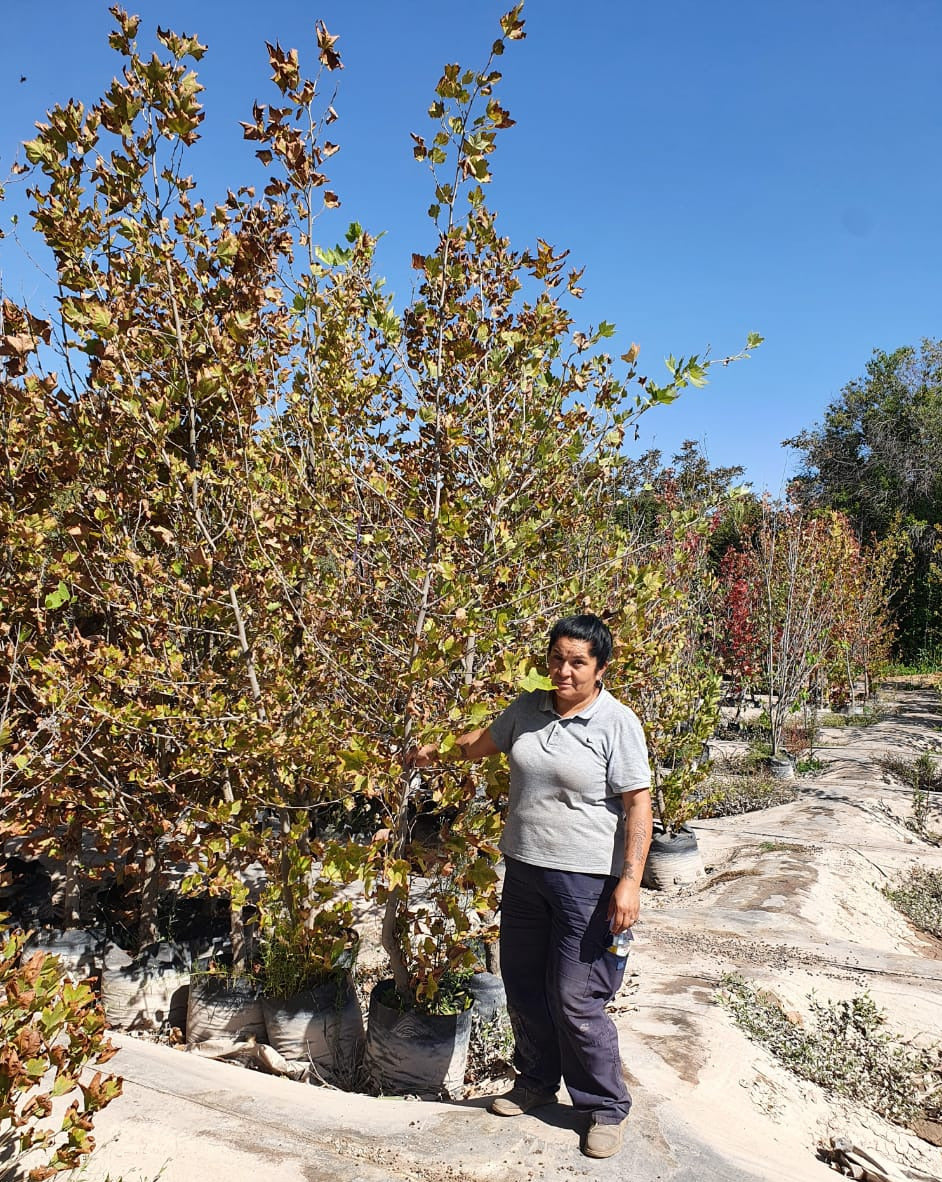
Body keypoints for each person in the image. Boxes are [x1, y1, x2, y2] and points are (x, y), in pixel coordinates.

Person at [411, 613, 652, 1160]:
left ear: (600, 668)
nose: (564, 671)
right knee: (522, 983)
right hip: (524, 871)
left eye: (578, 662)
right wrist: (431, 752)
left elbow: (638, 805)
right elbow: (479, 744)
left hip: (586, 881)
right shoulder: (528, 708)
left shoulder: (616, 723)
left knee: (575, 996)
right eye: (557, 659)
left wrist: (630, 881)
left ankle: (604, 1106)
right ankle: (537, 1081)